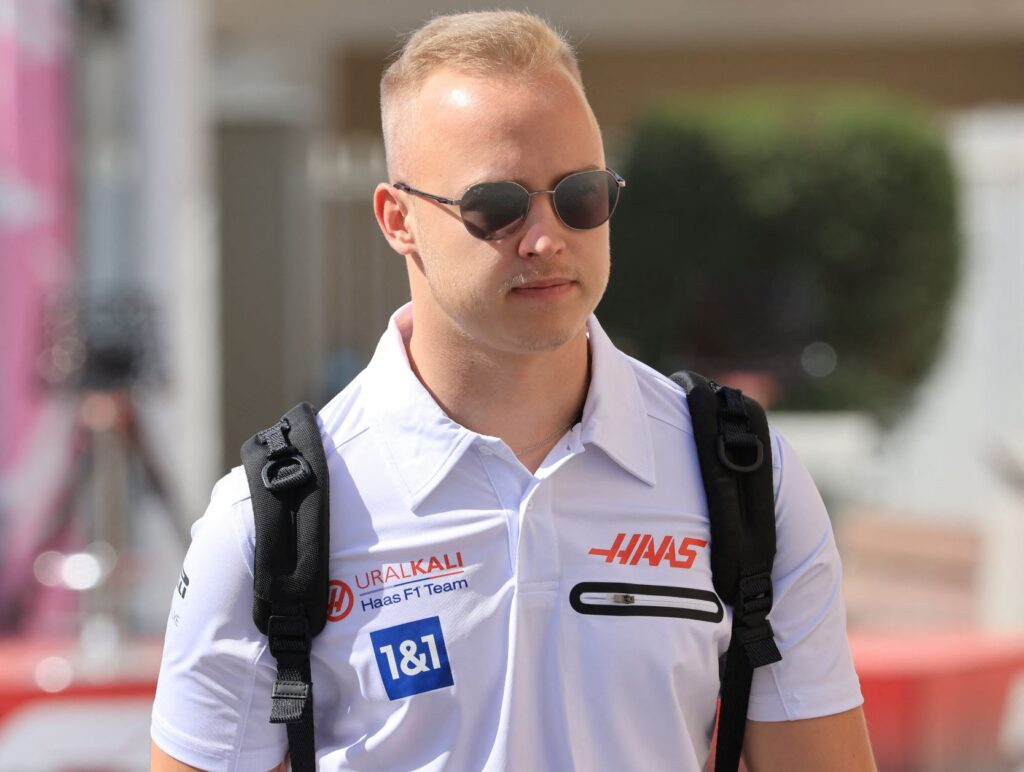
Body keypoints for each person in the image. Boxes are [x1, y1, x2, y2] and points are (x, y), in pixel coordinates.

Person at [150, 10, 875, 771]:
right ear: (398, 219)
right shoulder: (272, 520)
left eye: (580, 195)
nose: (546, 238)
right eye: (496, 206)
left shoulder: (743, 478)